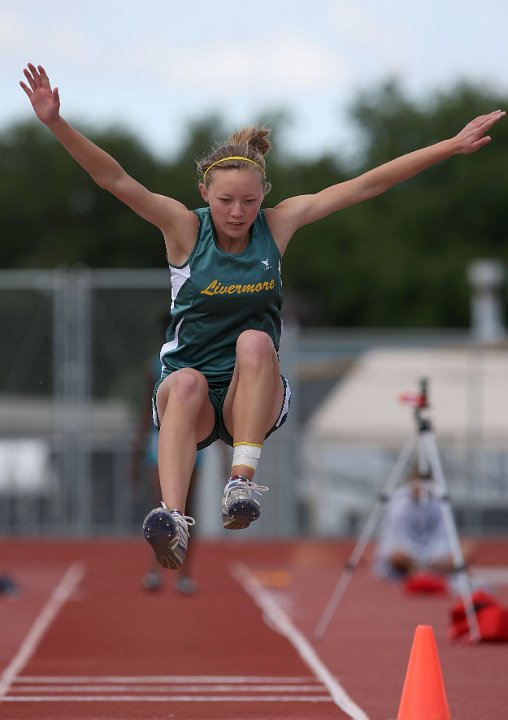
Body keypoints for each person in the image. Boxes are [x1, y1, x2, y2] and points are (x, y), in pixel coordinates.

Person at [20, 62, 505, 572]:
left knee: (254, 341)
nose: (237, 212)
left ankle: (240, 482)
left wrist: (448, 146)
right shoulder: (184, 228)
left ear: (264, 198)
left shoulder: (278, 226)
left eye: (249, 201)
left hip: (251, 394)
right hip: (192, 395)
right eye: (226, 200)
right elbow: (113, 178)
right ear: (205, 194)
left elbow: (366, 185)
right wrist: (56, 123)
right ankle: (172, 518)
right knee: (183, 383)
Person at [131, 325, 201, 595]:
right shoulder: (154, 366)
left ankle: (184, 573)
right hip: (158, 442)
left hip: (195, 443)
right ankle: (156, 568)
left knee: (188, 511)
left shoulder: (199, 360)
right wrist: (135, 454)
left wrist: (219, 451)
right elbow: (144, 411)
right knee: (160, 511)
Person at [374, 469, 473, 580]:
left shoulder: (440, 500)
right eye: (417, 483)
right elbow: (393, 541)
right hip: (408, 555)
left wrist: (436, 557)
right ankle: (422, 573)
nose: (421, 488)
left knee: (465, 551)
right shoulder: (398, 503)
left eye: (424, 484)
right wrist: (413, 557)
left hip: (434, 554)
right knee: (395, 556)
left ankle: (427, 573)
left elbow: (444, 535)